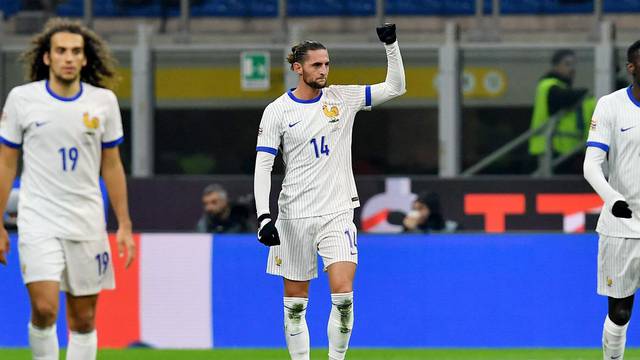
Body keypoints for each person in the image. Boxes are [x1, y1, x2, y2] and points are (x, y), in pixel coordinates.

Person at [253, 24, 405, 360]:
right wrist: (265, 216)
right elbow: (263, 166)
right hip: (293, 216)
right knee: (295, 306)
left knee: (344, 297)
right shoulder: (277, 111)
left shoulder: (342, 98)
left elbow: (395, 87)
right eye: (316, 65)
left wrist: (390, 45)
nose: (323, 70)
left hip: (337, 212)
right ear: (298, 68)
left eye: (326, 64)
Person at [0, 18, 135, 360]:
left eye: (76, 51)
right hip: (38, 220)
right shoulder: (22, 99)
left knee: (84, 319)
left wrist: (124, 224)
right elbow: (6, 163)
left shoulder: (102, 102)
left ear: (85, 59)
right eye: (61, 51)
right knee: (45, 309)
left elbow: (112, 165)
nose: (68, 58)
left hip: (87, 221)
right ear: (47, 57)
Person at [583, 39, 640, 360]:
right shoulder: (611, 105)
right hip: (621, 228)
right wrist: (612, 198)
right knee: (620, 312)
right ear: (631, 67)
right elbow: (591, 164)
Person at [529, 49, 595, 164]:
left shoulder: (562, 88)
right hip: (548, 150)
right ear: (555, 66)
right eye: (567, 64)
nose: (572, 69)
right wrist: (586, 92)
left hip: (565, 151)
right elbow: (565, 98)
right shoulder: (548, 86)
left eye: (574, 65)